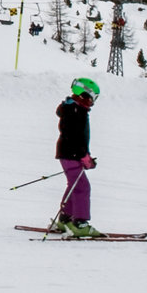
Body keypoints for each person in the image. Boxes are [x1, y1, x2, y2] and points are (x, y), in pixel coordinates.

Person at [54, 76, 100, 237]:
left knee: (74, 185)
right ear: (84, 95)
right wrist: (84, 157)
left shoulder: (73, 109)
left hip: (68, 153)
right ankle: (79, 224)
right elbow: (76, 137)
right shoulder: (76, 112)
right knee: (82, 187)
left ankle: (65, 219)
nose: (93, 102)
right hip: (71, 154)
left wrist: (84, 156)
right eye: (93, 98)